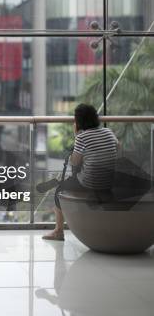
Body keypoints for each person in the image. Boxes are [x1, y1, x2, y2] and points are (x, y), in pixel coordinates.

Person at [39, 103, 119, 241]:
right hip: (109, 182)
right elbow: (118, 147)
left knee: (58, 191)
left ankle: (58, 231)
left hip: (89, 183)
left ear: (78, 121)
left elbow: (75, 162)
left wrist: (76, 135)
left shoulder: (82, 137)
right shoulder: (108, 132)